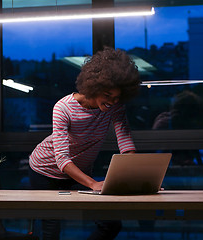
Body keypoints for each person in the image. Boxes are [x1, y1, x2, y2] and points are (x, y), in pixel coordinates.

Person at [28, 47, 141, 240]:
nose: (112, 101)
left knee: (111, 224)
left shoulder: (115, 108)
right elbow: (62, 159)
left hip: (79, 171)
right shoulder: (63, 107)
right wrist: (94, 184)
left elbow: (126, 144)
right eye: (107, 95)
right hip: (45, 170)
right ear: (94, 87)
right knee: (51, 231)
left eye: (116, 97)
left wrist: (140, 180)